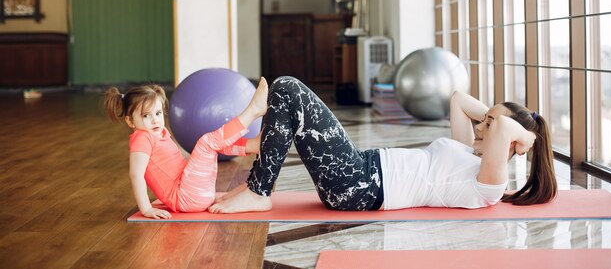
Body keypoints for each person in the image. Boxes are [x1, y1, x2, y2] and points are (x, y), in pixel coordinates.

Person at [209, 76, 557, 214]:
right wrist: (498, 118)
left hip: (361, 185)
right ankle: (262, 160)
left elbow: (502, 131)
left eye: (490, 124)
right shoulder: (469, 151)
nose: (481, 125)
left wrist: (526, 135)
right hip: (360, 170)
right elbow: (458, 99)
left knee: (287, 88)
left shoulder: (491, 184)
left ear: (512, 142)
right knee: (288, 96)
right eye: (485, 119)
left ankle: (259, 186)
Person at [103, 78, 269, 219]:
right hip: (184, 197)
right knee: (207, 142)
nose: (154, 120)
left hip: (191, 192)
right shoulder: (142, 138)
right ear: (130, 121)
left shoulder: (159, 132)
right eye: (146, 116)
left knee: (214, 144)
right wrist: (146, 208)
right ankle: (253, 111)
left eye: (158, 113)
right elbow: (136, 174)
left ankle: (252, 145)